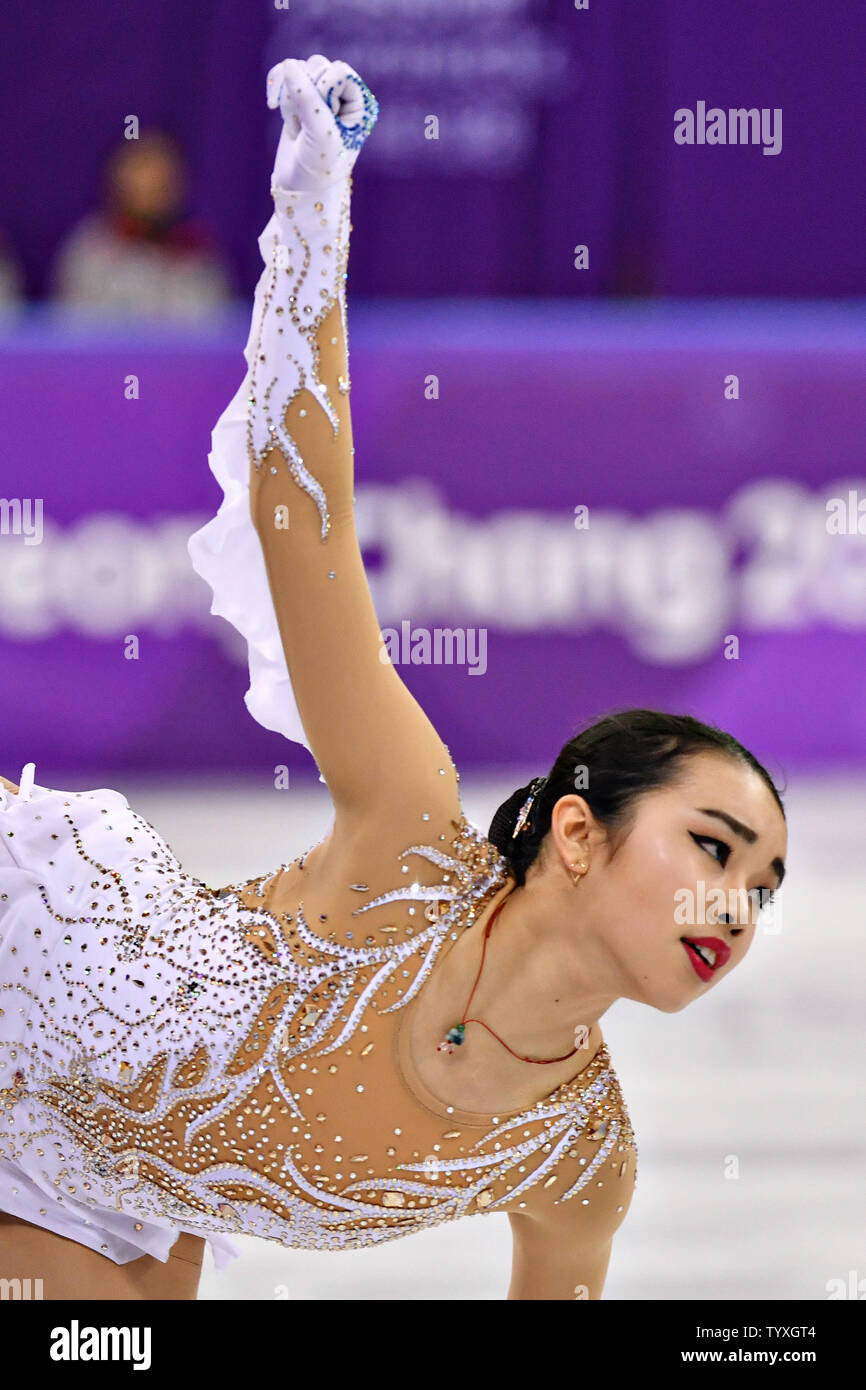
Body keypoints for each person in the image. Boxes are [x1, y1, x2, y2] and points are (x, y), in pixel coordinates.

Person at [0, 56, 787, 1301]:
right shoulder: (412, 845)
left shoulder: (579, 1164)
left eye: (761, 882)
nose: (733, 905)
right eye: (711, 846)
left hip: (92, 1190)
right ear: (577, 832)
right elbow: (298, 524)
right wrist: (316, 208)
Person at [50, 129, 231, 316]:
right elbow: (73, 333)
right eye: (142, 173)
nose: (152, 185)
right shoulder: (90, 252)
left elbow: (216, 332)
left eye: (162, 177)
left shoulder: (199, 255)